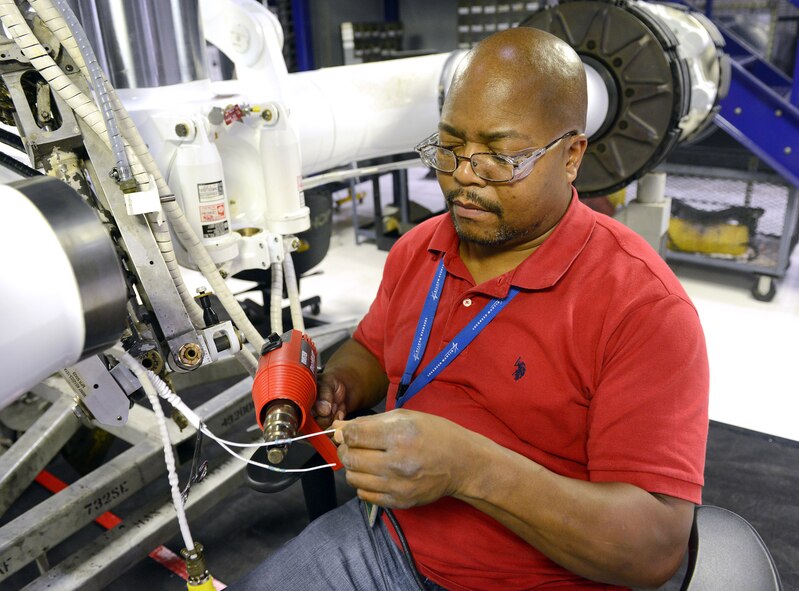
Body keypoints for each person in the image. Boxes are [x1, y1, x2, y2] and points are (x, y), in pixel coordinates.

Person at [230, 26, 709, 591]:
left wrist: (468, 468)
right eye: (450, 148)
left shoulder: (642, 307)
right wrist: (341, 384)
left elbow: (651, 551)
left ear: (573, 155)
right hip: (386, 542)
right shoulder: (419, 249)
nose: (462, 178)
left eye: (500, 158)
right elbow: (374, 347)